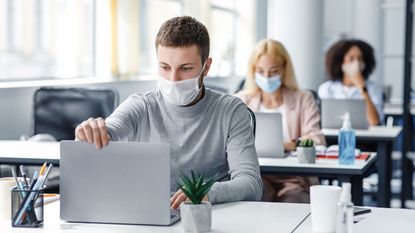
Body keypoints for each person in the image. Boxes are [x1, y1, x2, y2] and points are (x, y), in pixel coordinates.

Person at [74, 16, 262, 209]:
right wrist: (91, 132)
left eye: (186, 68)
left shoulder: (230, 110)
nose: (173, 79)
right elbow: (109, 131)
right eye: (165, 67)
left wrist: (206, 193)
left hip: (207, 215)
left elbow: (251, 184)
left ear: (206, 67)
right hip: (147, 213)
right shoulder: (141, 105)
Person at [235, 39, 325, 203]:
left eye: (273, 71)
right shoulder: (241, 100)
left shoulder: (303, 99)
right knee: (257, 200)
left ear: (284, 70)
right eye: (260, 71)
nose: (267, 77)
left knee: (293, 202)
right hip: (257, 175)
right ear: (253, 71)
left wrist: (290, 144)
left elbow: (317, 140)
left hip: (295, 178)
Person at [318, 39, 383, 125]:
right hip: (333, 136)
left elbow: (374, 121)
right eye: (351, 58)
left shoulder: (373, 88)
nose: (356, 63)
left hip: (364, 137)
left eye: (360, 58)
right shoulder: (326, 88)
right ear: (340, 62)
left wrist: (362, 86)